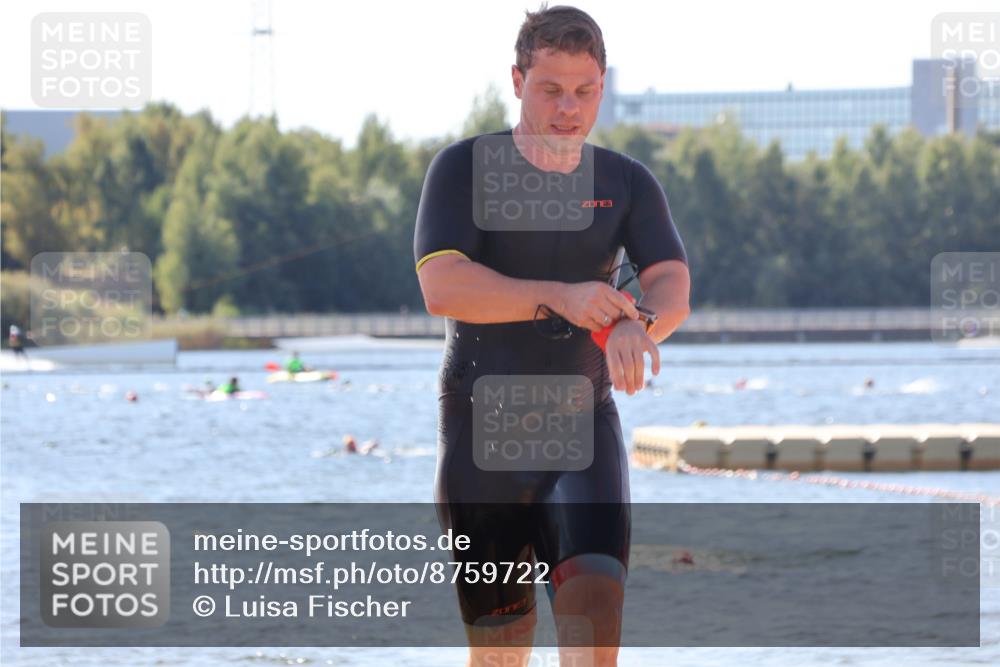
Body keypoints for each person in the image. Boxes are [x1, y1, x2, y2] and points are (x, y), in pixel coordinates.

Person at [414, 6, 690, 665]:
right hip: (483, 440)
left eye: (585, 91)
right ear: (516, 80)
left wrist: (636, 320)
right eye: (550, 89)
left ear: (602, 86)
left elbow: (672, 281)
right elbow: (442, 286)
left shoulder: (624, 181)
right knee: (502, 653)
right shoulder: (462, 169)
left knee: (595, 623)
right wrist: (562, 297)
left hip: (581, 429)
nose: (569, 108)